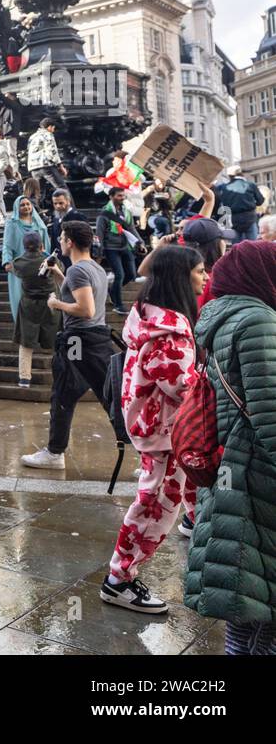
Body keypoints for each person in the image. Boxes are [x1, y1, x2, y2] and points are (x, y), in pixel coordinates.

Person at [101, 245, 204, 614]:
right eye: (199, 270)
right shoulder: (168, 334)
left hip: (154, 427)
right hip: (163, 432)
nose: (205, 277)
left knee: (164, 500)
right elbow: (186, 388)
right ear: (180, 277)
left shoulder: (151, 318)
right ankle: (119, 580)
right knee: (154, 506)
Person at [187, 241, 276, 653]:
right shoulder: (258, 321)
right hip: (255, 479)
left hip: (231, 472)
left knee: (245, 606)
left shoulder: (221, 319)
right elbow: (271, 415)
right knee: (262, 614)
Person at [22, 220, 114, 469]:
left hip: (77, 339)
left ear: (70, 242)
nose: (60, 242)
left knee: (63, 393)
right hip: (97, 339)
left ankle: (54, 453)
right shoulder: (94, 268)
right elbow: (80, 294)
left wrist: (55, 304)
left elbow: (85, 309)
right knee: (109, 397)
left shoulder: (78, 271)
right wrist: (58, 274)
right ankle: (147, 452)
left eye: (62, 238)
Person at [11, 232, 58, 388]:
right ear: (42, 245)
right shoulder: (50, 261)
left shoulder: (19, 263)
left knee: (26, 342)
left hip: (28, 305)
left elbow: (12, 268)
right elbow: (61, 270)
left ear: (24, 247)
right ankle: (60, 374)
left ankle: (24, 378)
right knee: (56, 340)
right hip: (50, 303)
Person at [96, 186, 146, 315]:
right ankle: (118, 304)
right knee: (119, 274)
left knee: (131, 274)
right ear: (111, 197)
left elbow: (131, 228)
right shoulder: (105, 213)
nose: (122, 198)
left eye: (123, 195)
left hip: (124, 246)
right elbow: (99, 232)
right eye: (119, 196)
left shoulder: (126, 211)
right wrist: (100, 250)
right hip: (111, 247)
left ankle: (112, 291)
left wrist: (140, 242)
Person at [2, 195, 51, 324]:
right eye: (22, 205)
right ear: (17, 207)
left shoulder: (39, 224)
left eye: (28, 204)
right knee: (20, 295)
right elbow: (7, 244)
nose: (26, 207)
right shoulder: (12, 223)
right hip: (20, 266)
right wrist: (7, 261)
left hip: (38, 265)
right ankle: (22, 324)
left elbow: (46, 244)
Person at [215, 166, 264, 242]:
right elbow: (260, 201)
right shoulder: (250, 185)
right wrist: (252, 203)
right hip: (249, 218)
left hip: (233, 219)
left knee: (236, 247)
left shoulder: (223, 187)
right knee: (253, 245)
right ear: (242, 174)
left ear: (230, 176)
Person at [27, 116, 66, 207]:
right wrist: (60, 166)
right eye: (53, 127)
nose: (53, 130)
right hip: (45, 166)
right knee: (62, 188)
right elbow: (52, 152)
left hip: (33, 168)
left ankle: (39, 214)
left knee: (39, 193)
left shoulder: (32, 137)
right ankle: (70, 211)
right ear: (49, 127)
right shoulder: (48, 134)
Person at [45, 189, 86, 265]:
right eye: (55, 203)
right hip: (61, 261)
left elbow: (85, 240)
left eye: (61, 203)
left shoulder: (78, 217)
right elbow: (54, 242)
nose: (58, 206)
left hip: (75, 259)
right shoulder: (56, 219)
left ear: (68, 201)